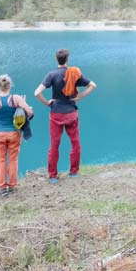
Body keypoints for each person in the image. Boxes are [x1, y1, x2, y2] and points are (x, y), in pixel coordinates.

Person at [35, 48, 97, 183]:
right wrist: (79, 97)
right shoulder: (74, 74)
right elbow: (92, 85)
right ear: (67, 60)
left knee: (54, 145)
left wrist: (47, 103)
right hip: (71, 113)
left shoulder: (51, 74)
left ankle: (52, 176)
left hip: (56, 113)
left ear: (56, 59)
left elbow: (37, 93)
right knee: (75, 143)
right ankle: (73, 172)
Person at [0, 74, 33, 197]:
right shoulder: (15, 98)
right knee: (13, 160)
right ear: (10, 85)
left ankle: (2, 188)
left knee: (1, 161)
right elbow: (30, 111)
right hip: (14, 133)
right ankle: (12, 186)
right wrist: (25, 118)